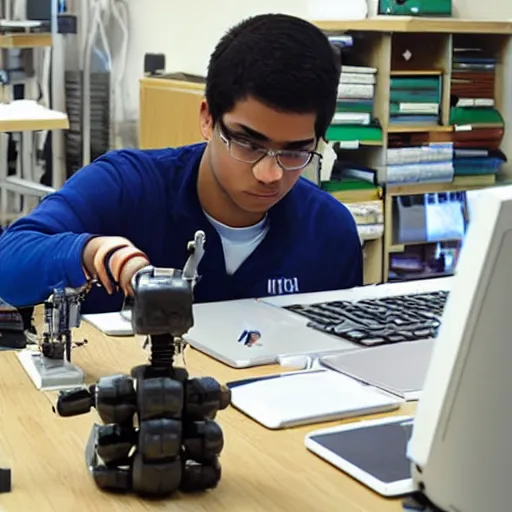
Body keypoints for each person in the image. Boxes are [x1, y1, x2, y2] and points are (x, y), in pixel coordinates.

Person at [0, 13, 363, 314]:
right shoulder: (125, 187)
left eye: (295, 152)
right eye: (248, 143)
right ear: (207, 119)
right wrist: (91, 252)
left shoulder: (330, 232)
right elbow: (8, 262)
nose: (270, 174)